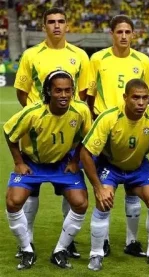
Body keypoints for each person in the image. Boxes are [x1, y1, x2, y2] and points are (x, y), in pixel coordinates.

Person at [13, 7, 90, 258]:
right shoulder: (31, 55)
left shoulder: (80, 55)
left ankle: (68, 242)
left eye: (61, 21)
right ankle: (29, 238)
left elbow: (82, 95)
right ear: (44, 26)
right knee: (30, 192)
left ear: (67, 25)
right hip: (36, 136)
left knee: (70, 187)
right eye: (51, 22)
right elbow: (22, 91)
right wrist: (38, 119)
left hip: (68, 132)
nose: (56, 26)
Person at [80, 79, 149, 270]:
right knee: (103, 202)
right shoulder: (109, 117)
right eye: (136, 98)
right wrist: (98, 188)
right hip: (111, 166)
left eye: (145, 98)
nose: (141, 103)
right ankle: (96, 254)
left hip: (139, 167)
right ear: (125, 98)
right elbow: (85, 153)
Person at [4, 70, 91, 270]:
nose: (63, 95)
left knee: (80, 203)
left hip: (62, 163)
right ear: (48, 92)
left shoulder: (81, 111)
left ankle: (60, 250)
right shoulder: (33, 112)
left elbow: (87, 138)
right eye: (58, 90)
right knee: (13, 201)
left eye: (68, 90)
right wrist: (19, 162)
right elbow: (9, 133)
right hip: (33, 162)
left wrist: (75, 160)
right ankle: (26, 249)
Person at [86, 14, 149, 257]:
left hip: (134, 129)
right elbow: (89, 96)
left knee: (133, 188)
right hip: (106, 130)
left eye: (127, 32)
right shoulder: (98, 59)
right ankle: (100, 242)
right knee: (104, 188)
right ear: (111, 34)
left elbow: (147, 96)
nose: (123, 36)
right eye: (119, 32)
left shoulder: (143, 60)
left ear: (133, 34)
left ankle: (131, 242)